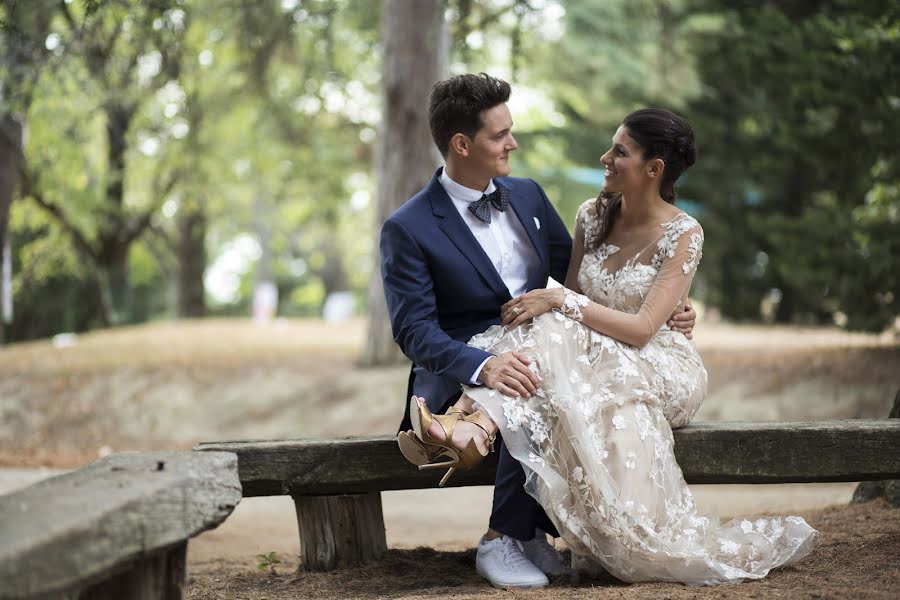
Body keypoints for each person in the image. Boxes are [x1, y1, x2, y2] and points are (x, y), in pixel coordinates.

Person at [405, 108, 818, 586]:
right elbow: (574, 298)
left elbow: (640, 328)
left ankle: (471, 426)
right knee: (550, 335)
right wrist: (560, 301)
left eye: (620, 151)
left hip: (661, 364)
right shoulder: (592, 215)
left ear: (654, 168)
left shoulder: (684, 233)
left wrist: (565, 300)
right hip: (595, 353)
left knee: (554, 321)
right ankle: (482, 451)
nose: (606, 157)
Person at [380, 74, 697, 589]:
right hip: (465, 368)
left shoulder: (526, 195)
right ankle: (505, 538)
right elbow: (413, 332)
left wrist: (672, 309)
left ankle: (505, 511)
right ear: (462, 145)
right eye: (499, 135)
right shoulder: (408, 226)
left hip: (545, 351)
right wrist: (485, 364)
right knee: (531, 377)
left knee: (540, 369)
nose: (514, 143)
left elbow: (584, 280)